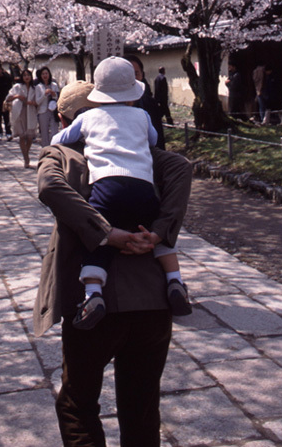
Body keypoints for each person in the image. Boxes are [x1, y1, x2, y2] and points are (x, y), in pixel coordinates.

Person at [34, 80, 193, 447]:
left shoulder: (60, 154)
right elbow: (182, 168)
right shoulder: (144, 154)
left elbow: (49, 188)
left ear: (64, 119)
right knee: (141, 408)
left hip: (91, 303)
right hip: (152, 299)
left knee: (78, 403)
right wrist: (159, 233)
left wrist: (105, 233)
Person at [51, 57, 191, 330]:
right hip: (143, 188)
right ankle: (175, 280)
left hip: (106, 188)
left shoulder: (89, 116)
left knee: (98, 239)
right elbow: (152, 141)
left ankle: (93, 295)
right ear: (132, 94)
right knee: (156, 231)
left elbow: (60, 140)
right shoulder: (141, 115)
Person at [125, 53, 165, 149]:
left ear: (142, 75)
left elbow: (158, 139)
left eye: (136, 73)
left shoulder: (150, 103)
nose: (132, 78)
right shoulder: (111, 104)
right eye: (127, 74)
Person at [6, 68, 38, 167]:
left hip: (30, 112)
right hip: (19, 112)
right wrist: (17, 96)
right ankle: (26, 158)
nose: (26, 77)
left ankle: (26, 153)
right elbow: (8, 98)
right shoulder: (17, 87)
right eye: (24, 75)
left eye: (28, 75)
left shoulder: (35, 88)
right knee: (22, 136)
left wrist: (33, 103)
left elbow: (38, 101)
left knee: (29, 137)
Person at [35, 65, 60, 147]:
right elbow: (37, 101)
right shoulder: (38, 87)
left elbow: (58, 98)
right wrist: (44, 95)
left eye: (46, 73)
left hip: (53, 110)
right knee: (44, 132)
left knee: (54, 132)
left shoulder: (54, 85)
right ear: (40, 76)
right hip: (43, 111)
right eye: (43, 74)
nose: (45, 75)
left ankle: (54, 148)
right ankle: (45, 149)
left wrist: (54, 94)